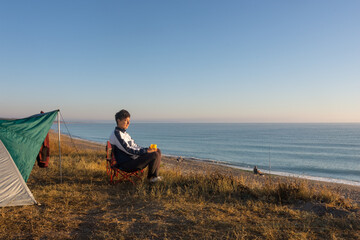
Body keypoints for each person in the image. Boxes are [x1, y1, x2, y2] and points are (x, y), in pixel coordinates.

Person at [109, 109, 162, 183]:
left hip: (132, 159)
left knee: (157, 150)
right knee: (154, 155)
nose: (128, 123)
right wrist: (146, 151)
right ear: (118, 120)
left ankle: (154, 176)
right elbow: (128, 150)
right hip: (126, 164)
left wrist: (147, 149)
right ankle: (151, 178)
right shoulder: (117, 134)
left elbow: (134, 146)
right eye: (125, 120)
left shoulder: (125, 134)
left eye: (129, 120)